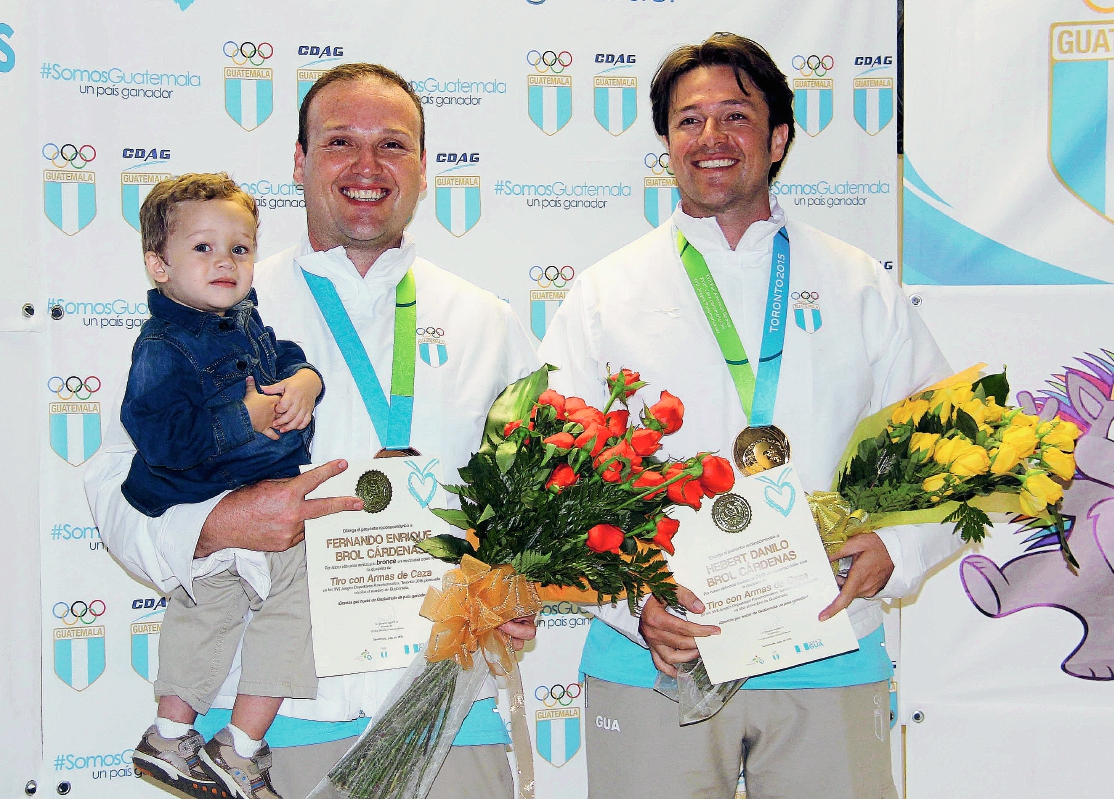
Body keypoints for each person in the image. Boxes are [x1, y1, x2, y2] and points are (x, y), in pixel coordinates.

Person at [85, 63, 539, 799]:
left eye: (393, 144)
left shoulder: (487, 322)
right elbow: (115, 487)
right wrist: (221, 522)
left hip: (449, 705)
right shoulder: (210, 309)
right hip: (271, 725)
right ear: (298, 162)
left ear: (425, 169)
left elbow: (539, 496)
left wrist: (519, 583)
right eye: (339, 142)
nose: (367, 166)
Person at [537, 34, 963, 799]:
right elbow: (554, 477)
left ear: (778, 137)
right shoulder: (604, 296)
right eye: (688, 120)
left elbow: (943, 443)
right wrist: (633, 596)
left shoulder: (857, 283)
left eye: (735, 116)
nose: (711, 138)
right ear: (667, 144)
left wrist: (899, 547)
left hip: (828, 638)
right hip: (657, 652)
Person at [121, 173, 325, 799]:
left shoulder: (240, 320)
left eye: (240, 248)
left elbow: (282, 353)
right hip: (219, 505)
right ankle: (239, 747)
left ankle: (169, 737)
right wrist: (247, 418)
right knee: (289, 616)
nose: (226, 262)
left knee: (205, 616)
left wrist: (305, 380)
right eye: (203, 248)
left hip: (227, 500)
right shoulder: (161, 345)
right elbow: (160, 438)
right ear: (159, 265)